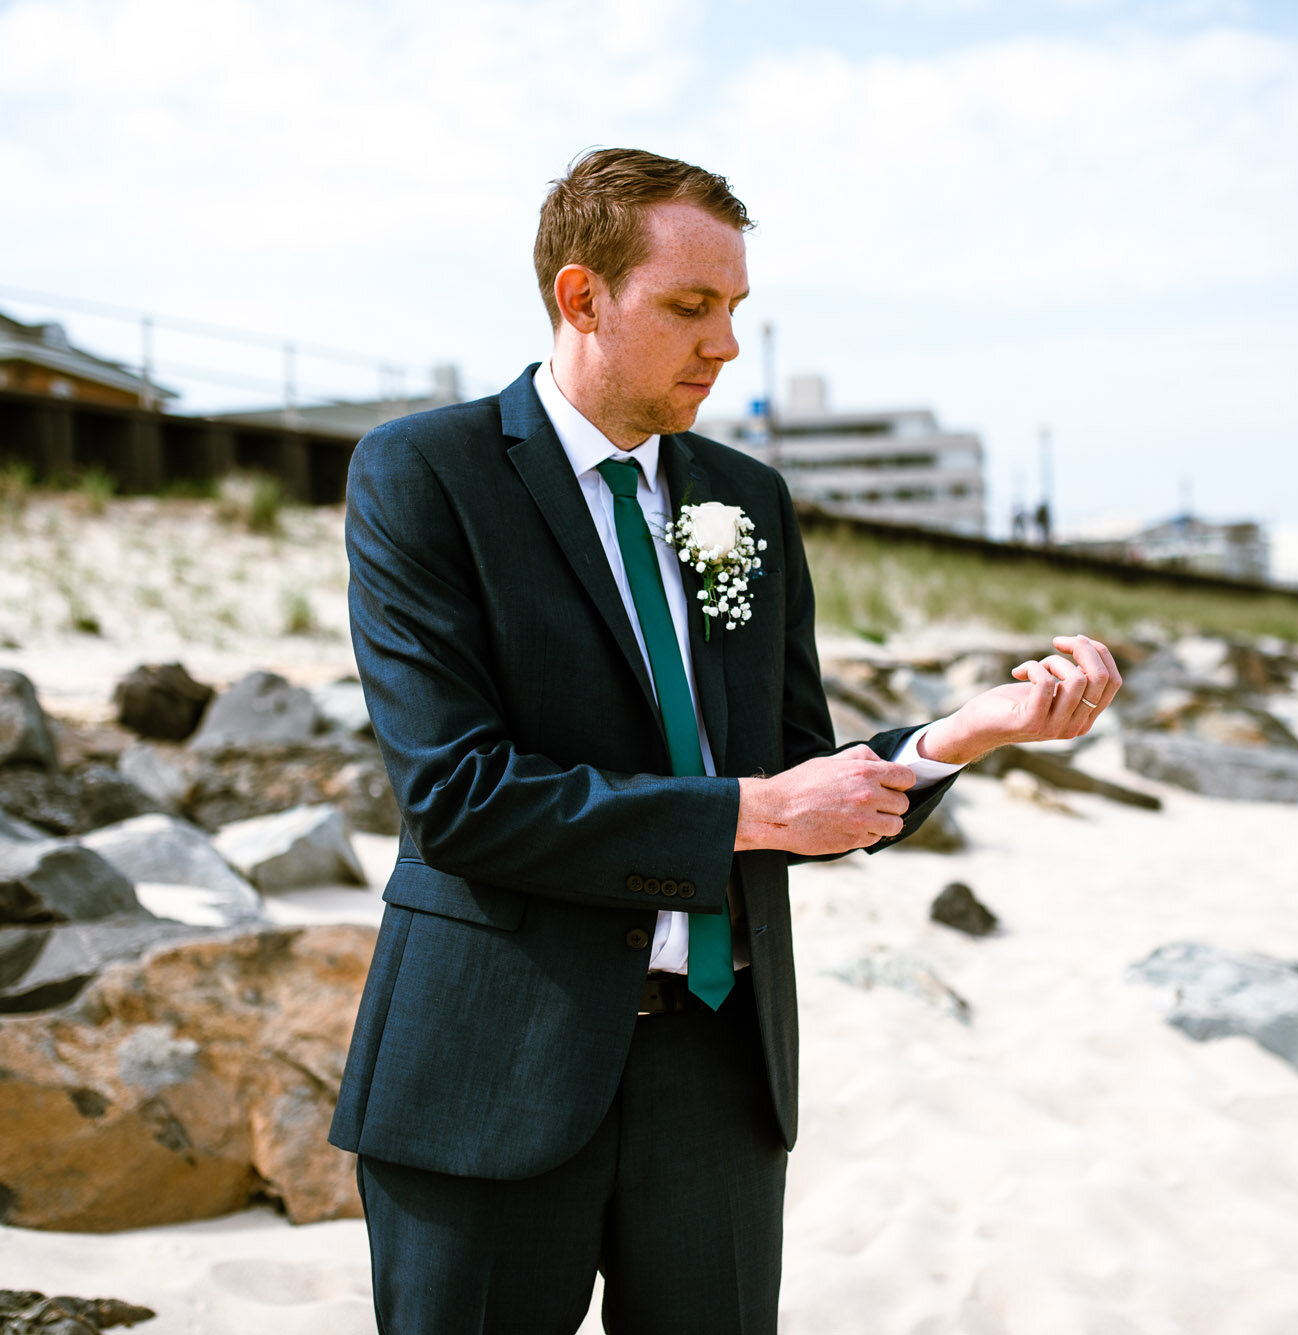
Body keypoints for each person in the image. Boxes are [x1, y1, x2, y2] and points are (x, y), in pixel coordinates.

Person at [328, 147, 1122, 1334]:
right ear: (581, 298)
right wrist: (750, 815)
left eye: (735, 308)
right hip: (489, 1070)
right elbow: (459, 796)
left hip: (720, 1074)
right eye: (690, 308)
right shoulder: (422, 474)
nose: (725, 345)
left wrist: (960, 737)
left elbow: (797, 767)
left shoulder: (744, 501)